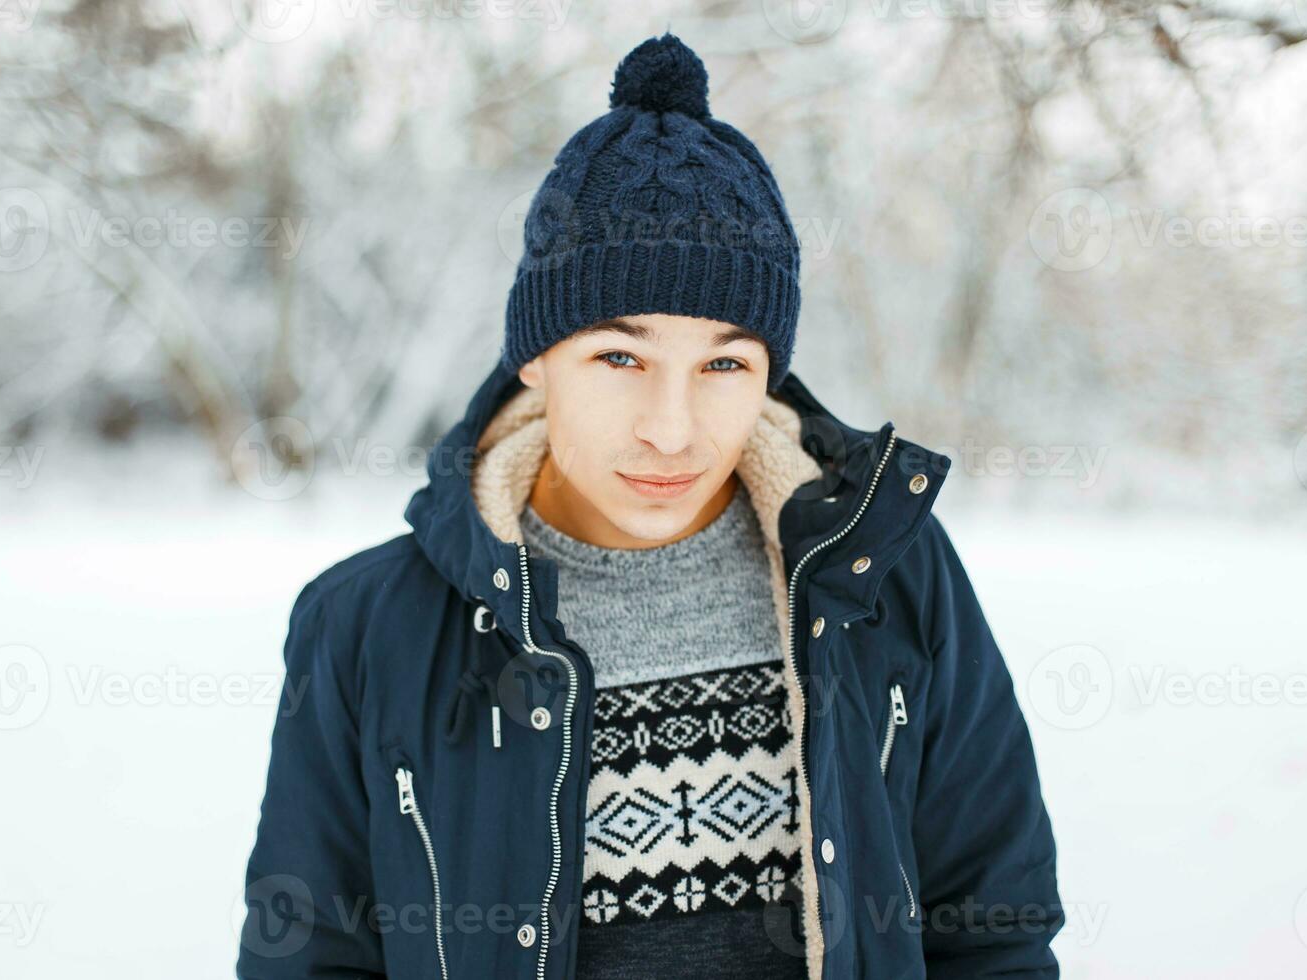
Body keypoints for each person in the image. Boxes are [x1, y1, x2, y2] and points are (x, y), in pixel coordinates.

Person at [237, 31, 1063, 980]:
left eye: (723, 364)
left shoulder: (886, 578)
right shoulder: (367, 629)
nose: (671, 430)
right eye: (620, 357)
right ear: (536, 359)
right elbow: (310, 960)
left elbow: (993, 933)